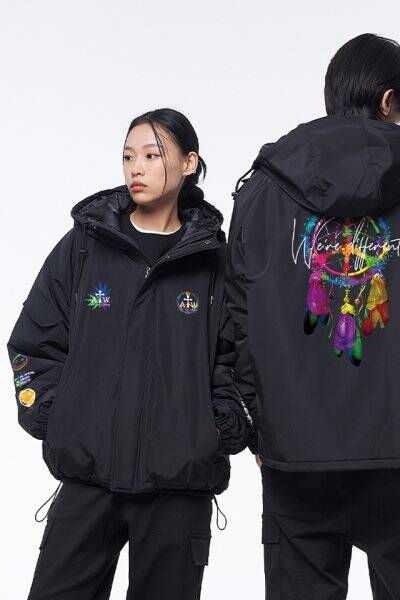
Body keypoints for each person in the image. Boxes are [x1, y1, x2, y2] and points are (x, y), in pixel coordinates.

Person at [226, 33, 400, 599]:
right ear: (389, 100)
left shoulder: (264, 187)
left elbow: (235, 318)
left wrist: (258, 425)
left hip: (295, 446)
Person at [7, 108, 253, 599]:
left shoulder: (214, 262)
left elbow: (239, 358)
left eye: (151, 155)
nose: (136, 168)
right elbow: (34, 342)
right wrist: (58, 415)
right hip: (88, 479)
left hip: (178, 487)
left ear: (189, 163)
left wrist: (215, 428)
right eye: (127, 156)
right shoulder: (85, 247)